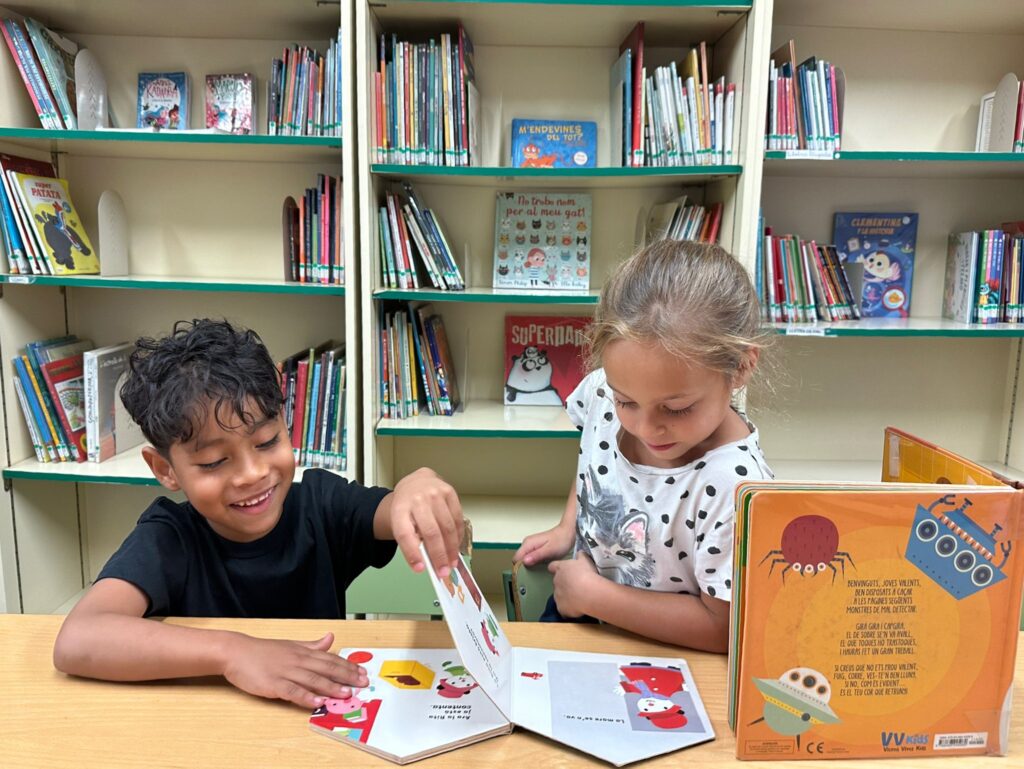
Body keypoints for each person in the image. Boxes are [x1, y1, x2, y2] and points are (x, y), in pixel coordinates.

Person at [53, 319, 464, 708]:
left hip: (313, 721)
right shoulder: (169, 537)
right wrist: (233, 652)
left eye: (267, 441)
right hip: (209, 725)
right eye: (214, 462)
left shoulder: (321, 503)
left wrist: (414, 490)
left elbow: (392, 511)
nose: (252, 474)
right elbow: (80, 638)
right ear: (165, 470)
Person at [513, 240, 773, 652]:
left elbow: (724, 629)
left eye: (677, 408)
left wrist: (594, 596)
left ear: (741, 366)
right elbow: (594, 461)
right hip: (583, 612)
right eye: (627, 402)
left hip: (671, 651)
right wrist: (568, 526)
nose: (645, 427)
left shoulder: (738, 487)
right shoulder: (603, 392)